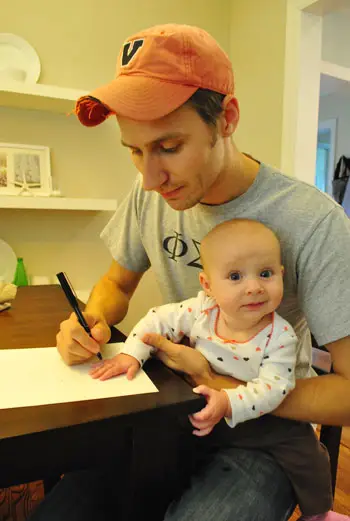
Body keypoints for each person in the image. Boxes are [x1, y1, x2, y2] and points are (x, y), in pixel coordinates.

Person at [30, 23, 350, 521]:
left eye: (168, 147)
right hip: (165, 414)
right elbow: (116, 284)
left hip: (262, 439)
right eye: (134, 151)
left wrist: (223, 387)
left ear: (226, 119)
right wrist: (89, 320)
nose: (149, 178)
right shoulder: (149, 195)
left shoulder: (314, 222)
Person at [88, 218, 337, 521]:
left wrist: (228, 401)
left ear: (281, 275)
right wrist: (132, 355)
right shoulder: (201, 311)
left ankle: (318, 513)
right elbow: (156, 320)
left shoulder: (280, 335)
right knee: (157, 448)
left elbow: (275, 388)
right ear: (208, 285)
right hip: (204, 412)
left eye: (266, 274)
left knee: (308, 458)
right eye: (235, 276)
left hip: (267, 424)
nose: (255, 287)